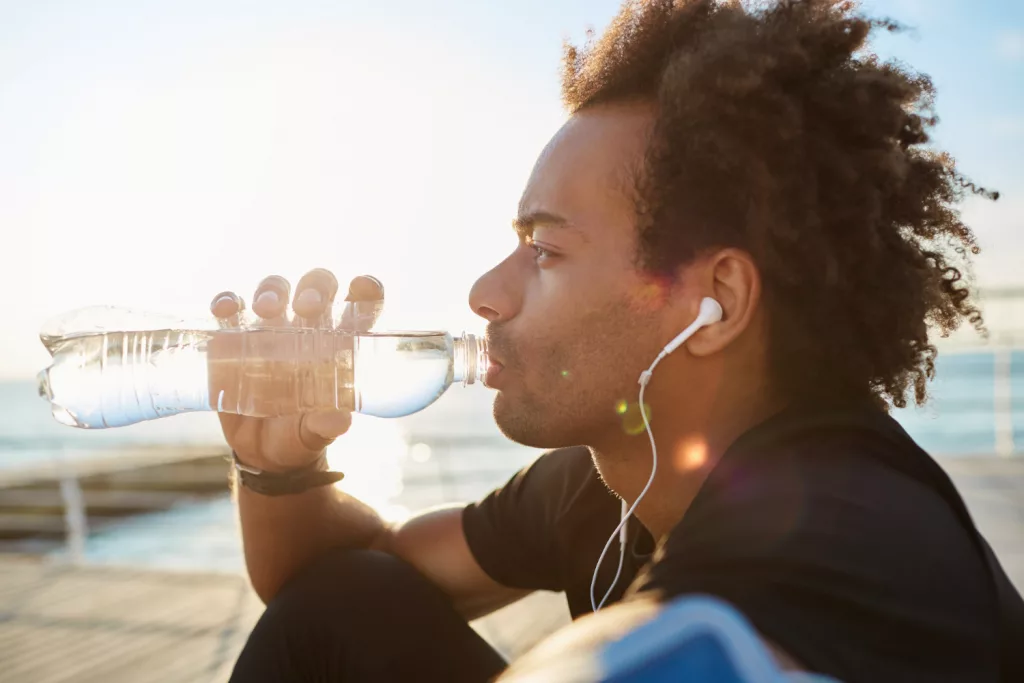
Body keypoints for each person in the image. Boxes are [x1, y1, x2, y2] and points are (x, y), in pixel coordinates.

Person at [220, 1, 1023, 681]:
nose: (485, 294)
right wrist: (278, 468)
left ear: (716, 303)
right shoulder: (616, 473)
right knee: (340, 603)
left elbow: (682, 651)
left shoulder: (847, 528)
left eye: (546, 250)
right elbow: (330, 581)